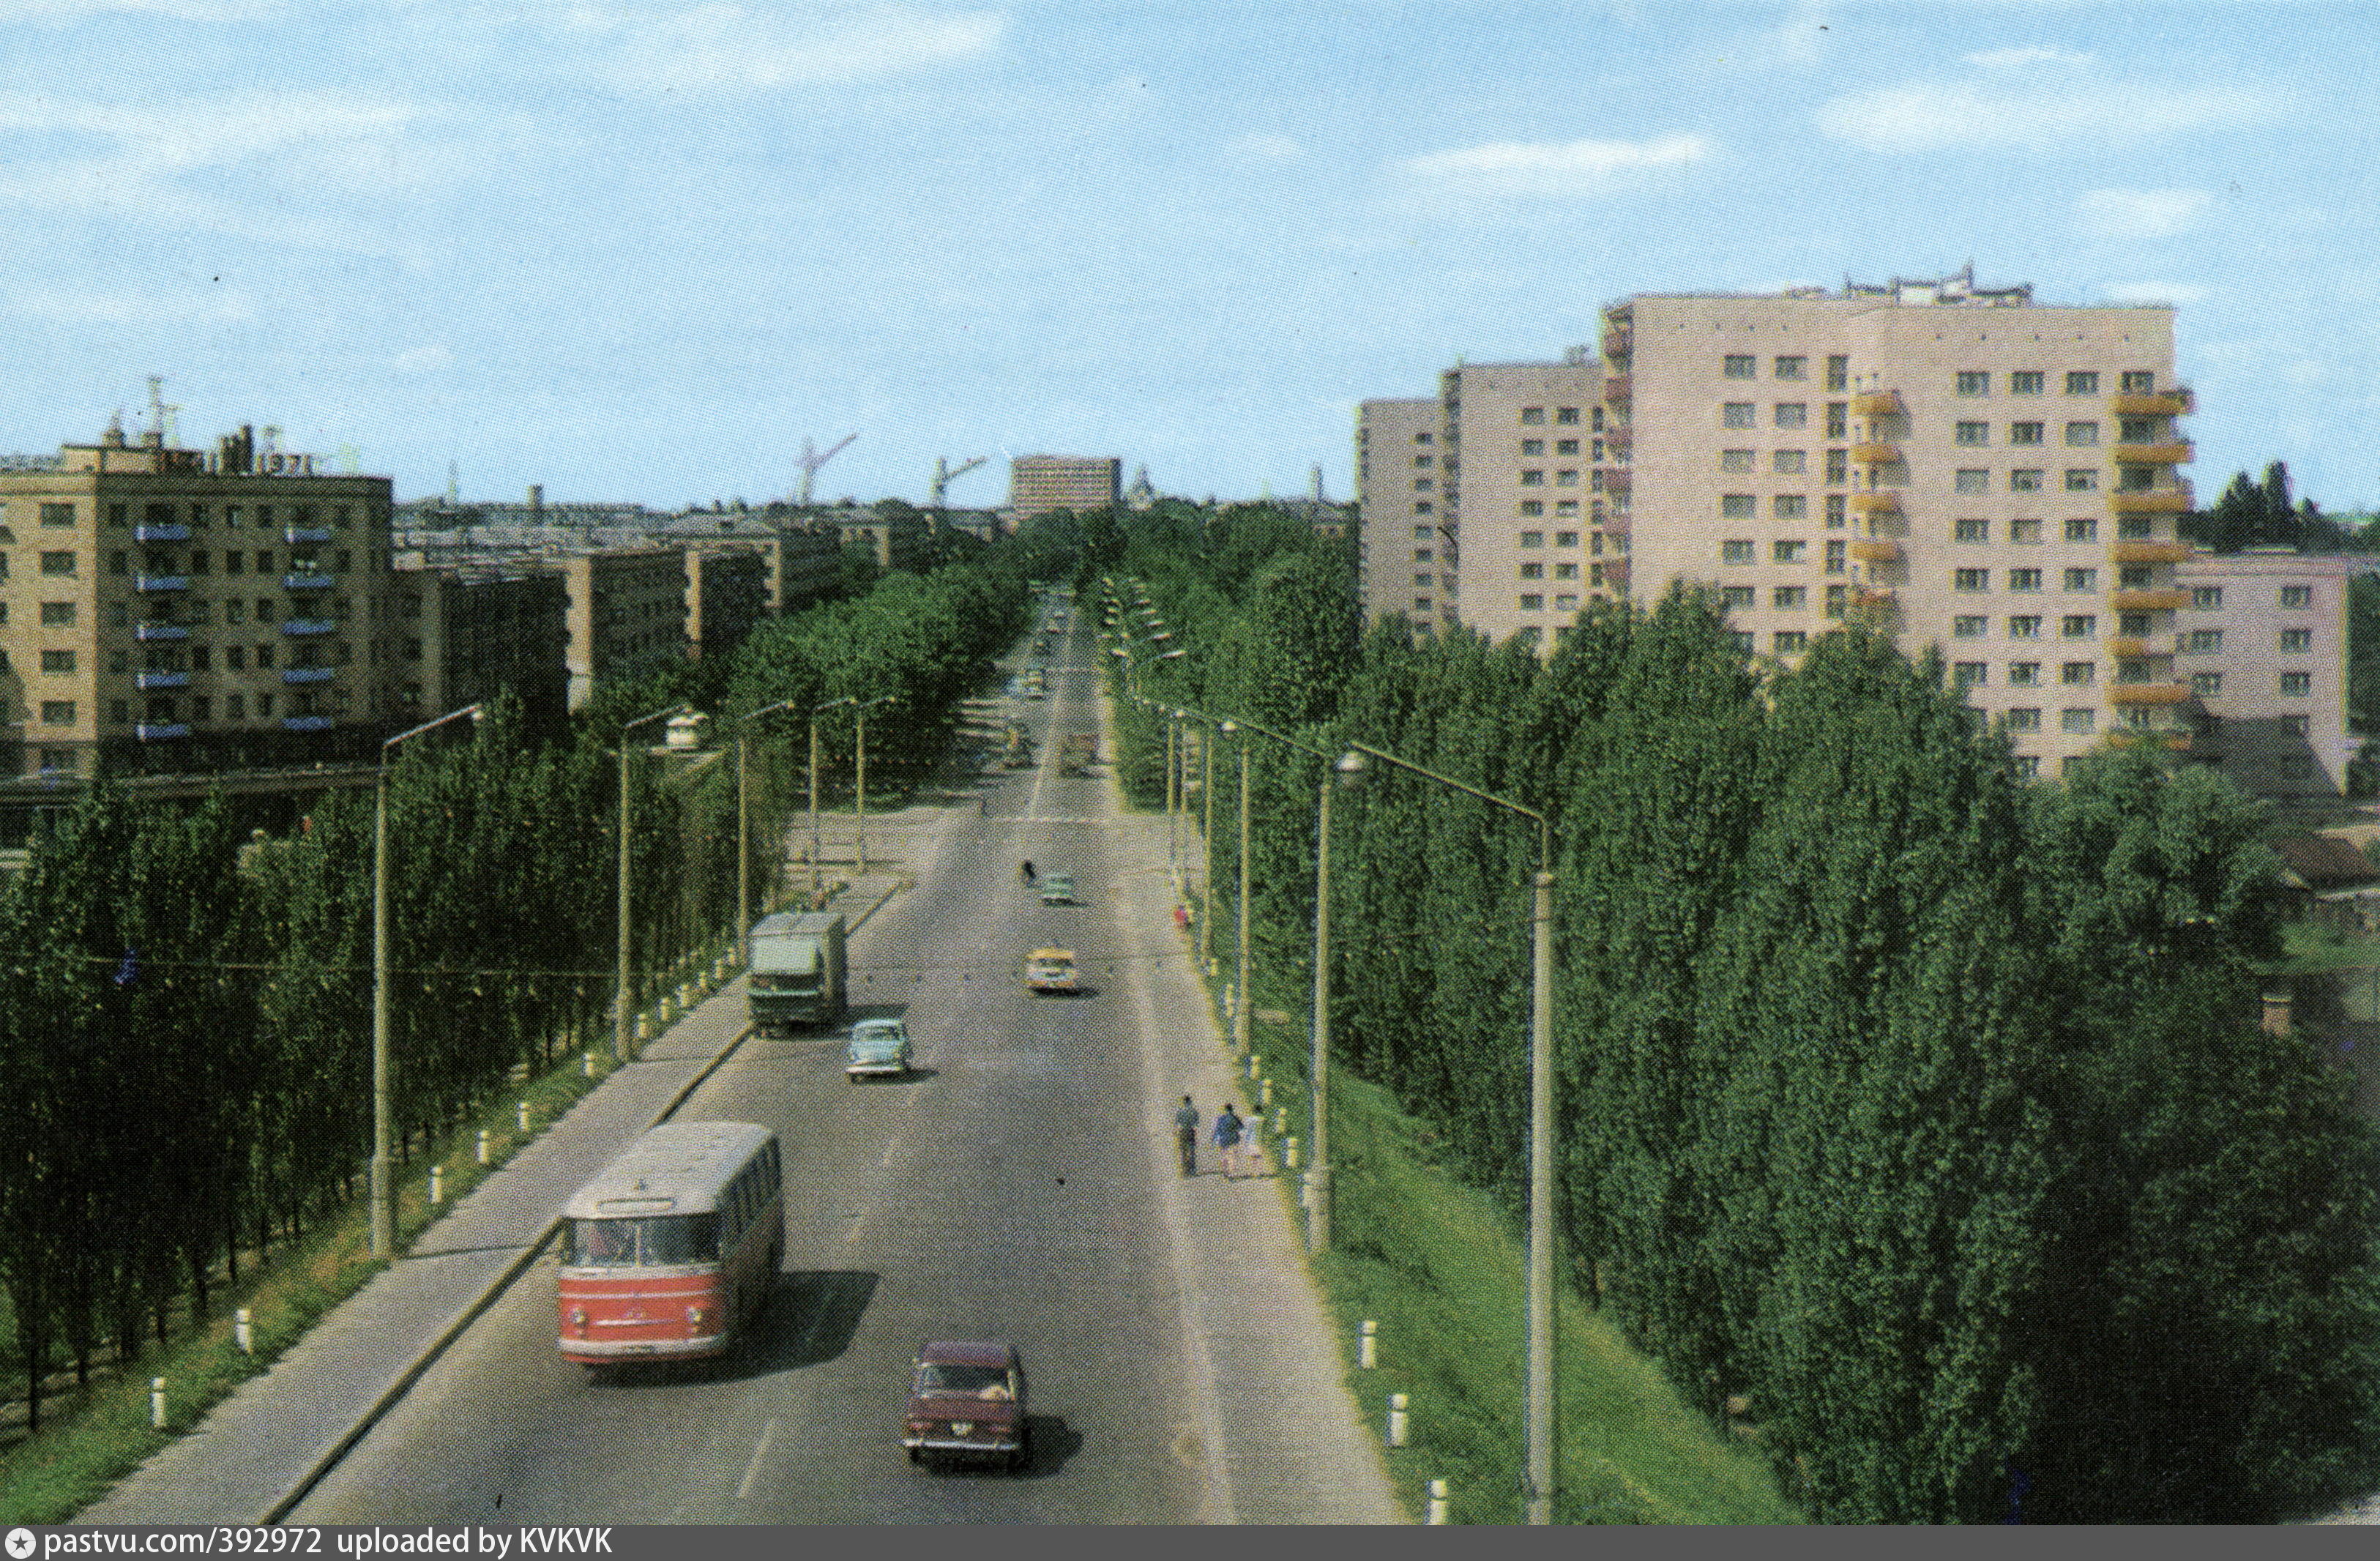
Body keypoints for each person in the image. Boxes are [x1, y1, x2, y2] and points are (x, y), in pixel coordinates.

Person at [1212, 1102, 1244, 1180]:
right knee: (1232, 1156)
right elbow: (1241, 1127)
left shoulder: (1221, 1118)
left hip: (1223, 1139)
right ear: (1232, 1109)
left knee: (1224, 1156)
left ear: (1225, 1110)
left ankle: (1225, 1172)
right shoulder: (1235, 1118)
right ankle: (1231, 1173)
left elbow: (1217, 1129)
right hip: (1233, 1139)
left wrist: (1214, 1139)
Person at [1174, 1095, 1199, 1177]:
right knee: (1191, 1150)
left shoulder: (1179, 1111)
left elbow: (1177, 1124)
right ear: (1190, 1102)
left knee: (1183, 1151)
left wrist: (1176, 1132)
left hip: (1182, 1132)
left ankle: (1184, 1171)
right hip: (1190, 1131)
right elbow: (1196, 1123)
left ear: (1183, 1102)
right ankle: (1192, 1170)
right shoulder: (1194, 1111)